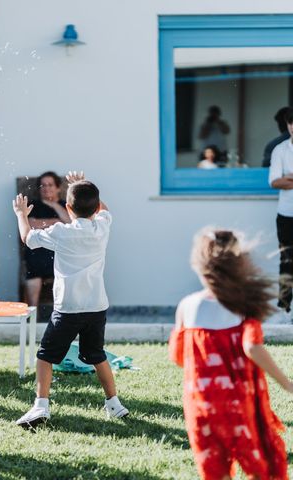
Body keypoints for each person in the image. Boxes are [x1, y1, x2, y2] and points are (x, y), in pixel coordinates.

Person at [168, 229, 290, 480]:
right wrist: (287, 383)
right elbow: (253, 348)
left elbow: (178, 357)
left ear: (199, 266)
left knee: (215, 470)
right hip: (238, 404)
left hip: (200, 406)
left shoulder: (186, 306)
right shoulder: (244, 306)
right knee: (258, 466)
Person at [13, 171, 129, 429]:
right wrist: (78, 184)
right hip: (96, 306)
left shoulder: (61, 232)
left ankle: (41, 405)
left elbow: (27, 238)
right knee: (97, 355)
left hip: (68, 308)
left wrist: (21, 214)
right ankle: (114, 404)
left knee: (44, 356)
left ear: (68, 208)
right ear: (97, 207)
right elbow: (105, 210)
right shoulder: (102, 227)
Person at [23, 171, 70, 306]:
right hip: (38, 250)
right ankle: (33, 312)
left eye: (50, 185)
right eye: (43, 185)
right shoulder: (34, 205)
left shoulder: (66, 205)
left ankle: (62, 310)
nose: (46, 188)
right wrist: (56, 221)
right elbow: (31, 225)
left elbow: (71, 223)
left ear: (58, 188)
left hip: (59, 251)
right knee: (34, 266)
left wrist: (53, 204)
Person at [268, 107, 293, 315]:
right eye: (291, 123)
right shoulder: (280, 150)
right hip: (286, 214)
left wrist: (289, 178)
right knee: (287, 260)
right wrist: (283, 179)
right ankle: (285, 305)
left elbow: (283, 180)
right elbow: (275, 181)